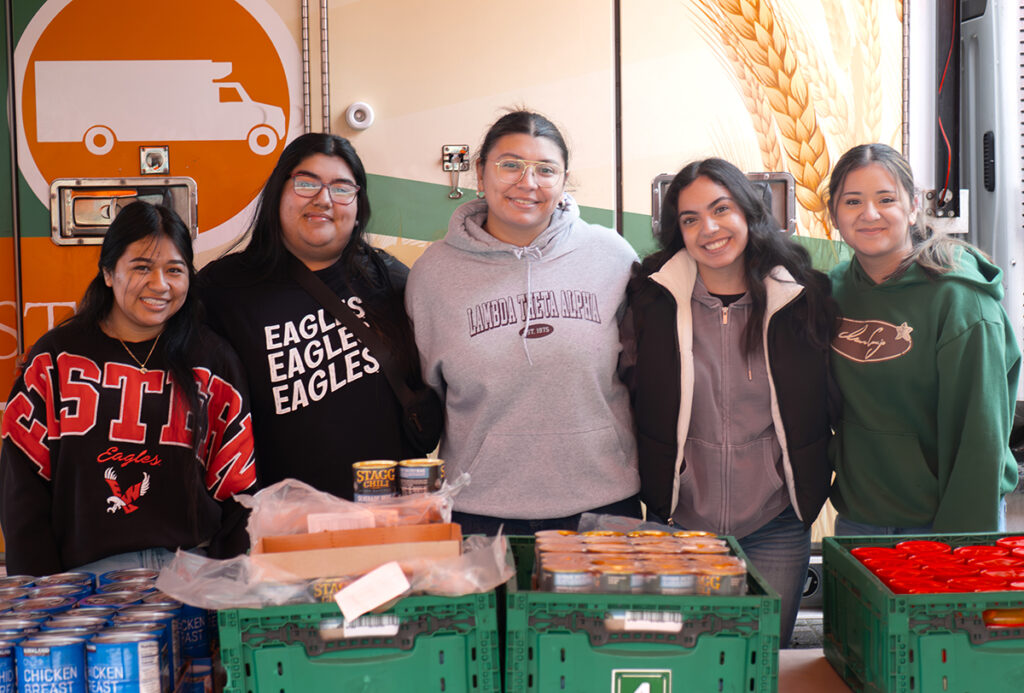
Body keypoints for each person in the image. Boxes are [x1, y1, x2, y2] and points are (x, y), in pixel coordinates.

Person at [623, 158, 838, 647]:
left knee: (763, 658)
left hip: (775, 522)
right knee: (681, 658)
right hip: (677, 518)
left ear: (749, 212)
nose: (709, 229)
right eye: (690, 218)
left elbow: (834, 398)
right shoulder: (649, 299)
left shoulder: (803, 298)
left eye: (721, 209)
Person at [405, 110, 640, 534]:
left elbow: (641, 371)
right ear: (480, 173)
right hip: (478, 506)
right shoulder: (433, 273)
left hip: (602, 505)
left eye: (545, 170)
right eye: (509, 164)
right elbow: (429, 387)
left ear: (564, 180)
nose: (527, 183)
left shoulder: (612, 256)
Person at [0, 201, 257, 576]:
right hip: (85, 581)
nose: (160, 285)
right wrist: (38, 591)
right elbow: (22, 488)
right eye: (141, 268)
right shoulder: (55, 358)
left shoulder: (213, 361)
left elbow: (238, 487)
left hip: (193, 571)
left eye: (175, 270)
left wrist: (229, 581)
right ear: (108, 272)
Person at [198, 133, 427, 499]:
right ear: (279, 192)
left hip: (390, 516)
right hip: (284, 525)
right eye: (306, 183)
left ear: (358, 205)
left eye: (341, 188)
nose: (323, 199)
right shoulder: (223, 289)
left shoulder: (390, 279)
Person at [827, 143, 1020, 535]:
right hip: (860, 517)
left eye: (886, 199)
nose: (870, 214)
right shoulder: (833, 292)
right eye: (852, 201)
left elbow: (980, 436)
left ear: (913, 206)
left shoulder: (960, 298)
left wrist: (963, 542)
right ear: (833, 213)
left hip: (945, 521)